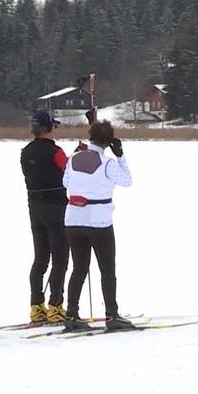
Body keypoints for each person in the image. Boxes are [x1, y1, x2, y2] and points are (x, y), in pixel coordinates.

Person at [62, 120, 135, 331]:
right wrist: (120, 157)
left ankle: (72, 314)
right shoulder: (109, 164)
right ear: (109, 141)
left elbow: (66, 182)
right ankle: (112, 315)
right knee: (107, 269)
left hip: (73, 219)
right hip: (99, 221)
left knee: (79, 268)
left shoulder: (73, 158)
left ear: (90, 136)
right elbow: (127, 181)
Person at [20, 111, 70, 324]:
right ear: (49, 128)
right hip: (56, 207)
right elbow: (69, 173)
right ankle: (55, 306)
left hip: (35, 208)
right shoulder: (55, 152)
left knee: (40, 258)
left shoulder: (25, 152)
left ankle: (36, 307)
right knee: (60, 258)